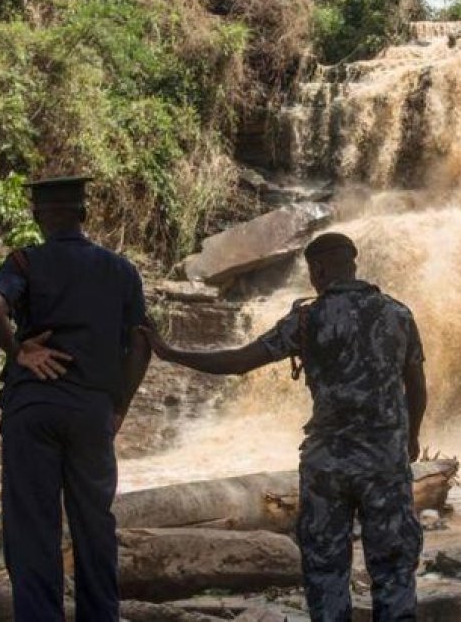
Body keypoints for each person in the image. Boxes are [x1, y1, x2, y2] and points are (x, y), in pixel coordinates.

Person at [143, 232, 428, 621]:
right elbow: (417, 386)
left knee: (326, 569)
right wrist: (410, 438)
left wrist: (172, 353)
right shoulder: (399, 314)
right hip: (385, 462)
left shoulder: (307, 318)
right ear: (353, 264)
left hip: (327, 464)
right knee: (394, 567)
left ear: (319, 269)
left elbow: (241, 361)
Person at [0, 177, 151, 621]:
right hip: (92, 411)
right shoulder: (122, 270)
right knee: (95, 526)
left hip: (33, 408)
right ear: (85, 216)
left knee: (33, 530)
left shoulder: (24, 261)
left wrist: (19, 351)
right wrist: (119, 407)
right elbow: (143, 343)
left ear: (37, 217)